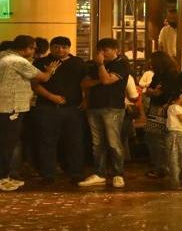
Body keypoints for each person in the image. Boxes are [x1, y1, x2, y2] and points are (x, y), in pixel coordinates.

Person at [0, 36, 58, 191]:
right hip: (12, 106)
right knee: (7, 144)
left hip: (5, 106)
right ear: (24, 48)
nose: (34, 51)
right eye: (32, 48)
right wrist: (50, 70)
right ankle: (3, 178)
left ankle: (6, 176)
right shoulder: (18, 61)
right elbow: (43, 77)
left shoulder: (4, 56)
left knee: (6, 142)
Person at [30, 36, 88, 185]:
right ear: (51, 47)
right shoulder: (41, 62)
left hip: (72, 108)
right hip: (47, 108)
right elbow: (34, 84)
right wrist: (51, 97)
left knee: (74, 141)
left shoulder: (78, 63)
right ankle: (47, 173)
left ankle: (76, 172)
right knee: (46, 141)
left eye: (64, 47)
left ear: (69, 48)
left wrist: (86, 99)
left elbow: (85, 83)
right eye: (56, 47)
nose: (60, 50)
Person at [83, 38, 131, 188]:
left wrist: (101, 66)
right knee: (97, 143)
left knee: (113, 142)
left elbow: (106, 81)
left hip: (113, 108)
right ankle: (99, 173)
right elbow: (84, 83)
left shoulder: (121, 64)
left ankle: (118, 173)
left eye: (106, 50)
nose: (102, 53)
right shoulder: (93, 64)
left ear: (116, 50)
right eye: (100, 51)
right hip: (94, 107)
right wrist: (99, 75)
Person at [141, 51, 181, 179]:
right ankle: (162, 166)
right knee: (154, 138)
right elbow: (151, 90)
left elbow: (162, 93)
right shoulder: (160, 74)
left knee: (157, 139)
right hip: (157, 108)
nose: (150, 64)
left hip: (162, 109)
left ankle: (162, 167)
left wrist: (153, 92)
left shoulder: (171, 75)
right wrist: (154, 91)